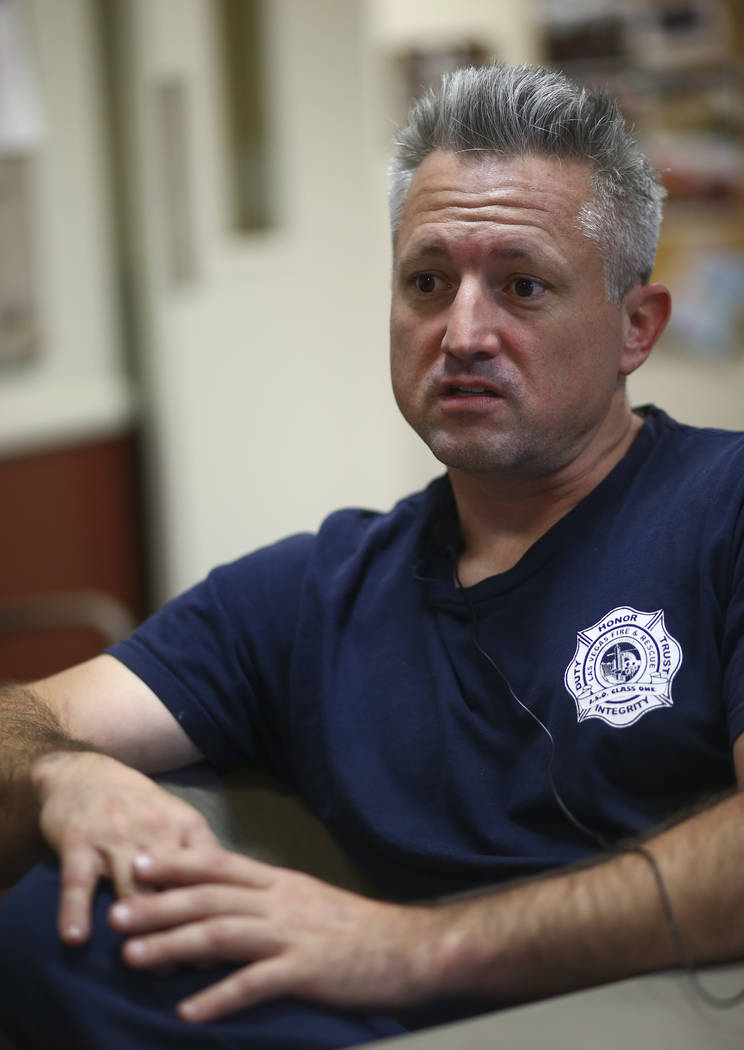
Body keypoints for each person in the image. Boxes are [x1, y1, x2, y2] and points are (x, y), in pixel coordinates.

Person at [2, 61, 744, 1049]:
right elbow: (25, 719)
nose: (463, 333)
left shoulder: (724, 507)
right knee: (40, 913)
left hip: (659, 1019)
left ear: (634, 329)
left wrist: (415, 948)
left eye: (522, 286)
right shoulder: (314, 591)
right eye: (428, 283)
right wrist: (64, 779)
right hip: (380, 1027)